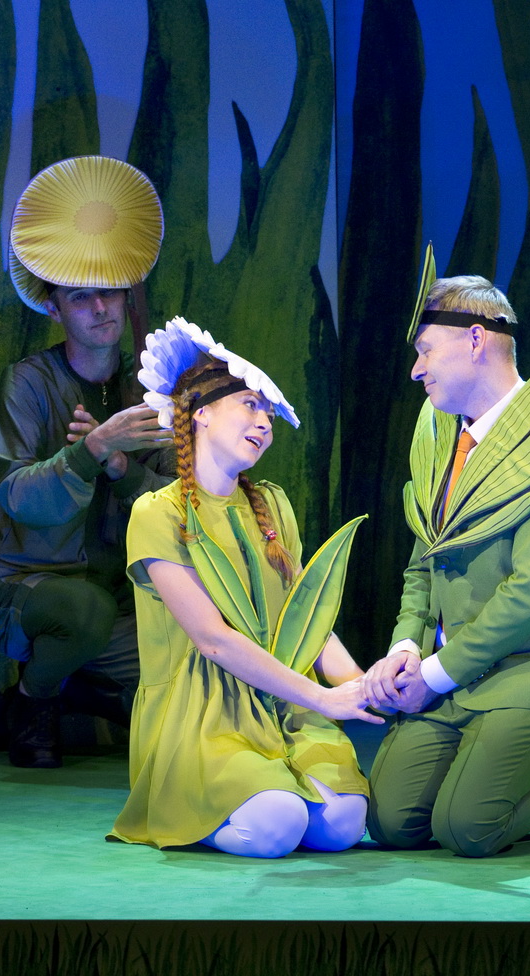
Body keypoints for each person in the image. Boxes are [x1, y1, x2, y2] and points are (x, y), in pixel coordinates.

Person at [361, 252, 530, 857]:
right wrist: (406, 647)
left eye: (425, 350)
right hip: (452, 671)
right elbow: (423, 563)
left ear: (476, 339)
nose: (416, 370)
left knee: (468, 828)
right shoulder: (441, 440)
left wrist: (434, 674)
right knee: (392, 823)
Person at [109, 318, 374, 857]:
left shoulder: (272, 504)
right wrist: (322, 696)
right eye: (251, 404)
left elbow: (308, 620)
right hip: (201, 715)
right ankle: (184, 807)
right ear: (201, 412)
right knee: (277, 824)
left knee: (343, 824)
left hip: (282, 706)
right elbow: (213, 640)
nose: (264, 423)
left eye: (270, 414)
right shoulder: (157, 513)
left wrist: (364, 687)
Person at [0, 156, 176, 768]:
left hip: (118, 602)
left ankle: (76, 686)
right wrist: (89, 451)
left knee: (181, 697)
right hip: (21, 590)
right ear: (54, 308)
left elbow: (182, 503)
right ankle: (32, 700)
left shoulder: (153, 390)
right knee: (82, 611)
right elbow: (16, 497)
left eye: (110, 292)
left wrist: (122, 469)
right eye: (80, 296)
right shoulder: (28, 382)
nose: (100, 307)